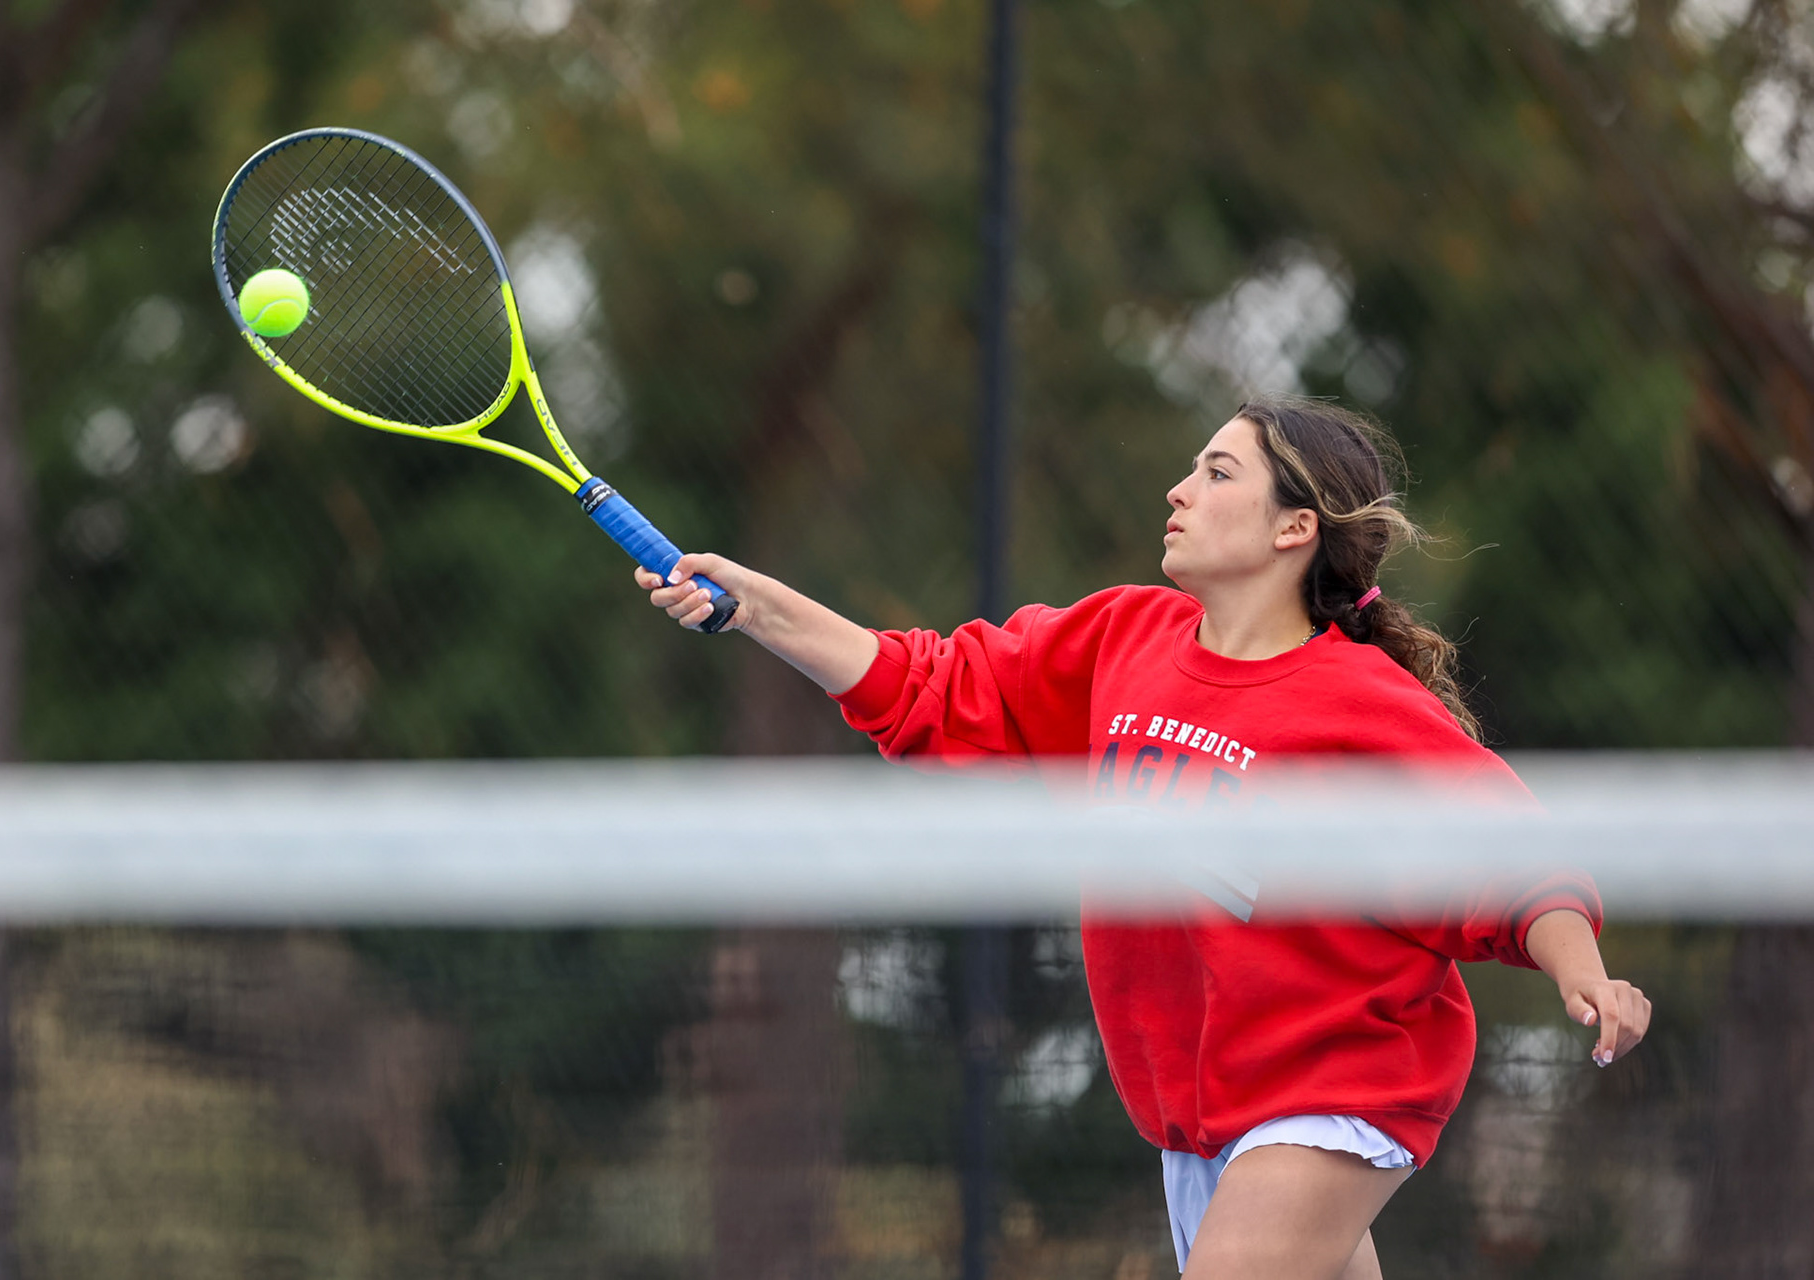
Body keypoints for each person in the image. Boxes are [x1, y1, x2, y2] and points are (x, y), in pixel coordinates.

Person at [636, 394, 1651, 1280]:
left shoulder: (1360, 701)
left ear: (1296, 526)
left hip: (1334, 1085)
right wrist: (756, 606)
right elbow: (929, 685)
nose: (1178, 490)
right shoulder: (1123, 640)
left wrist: (1583, 968)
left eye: (1216, 472)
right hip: (1196, 1107)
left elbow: (1507, 852)